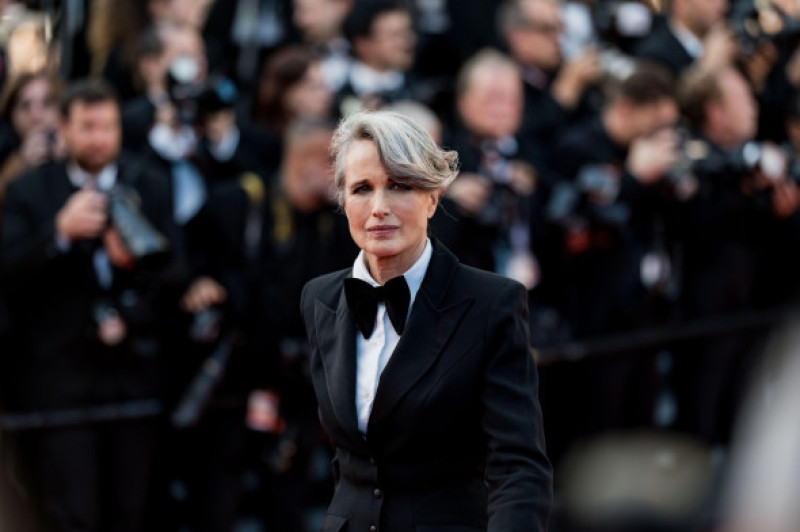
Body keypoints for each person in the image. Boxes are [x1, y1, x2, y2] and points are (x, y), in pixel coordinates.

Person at [300, 110, 552, 531]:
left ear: (433, 198)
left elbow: (518, 468)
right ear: (343, 201)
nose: (379, 208)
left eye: (400, 185)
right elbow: (348, 460)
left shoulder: (491, 304)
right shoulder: (320, 299)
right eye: (362, 189)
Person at [0, 79, 181, 530]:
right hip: (60, 388)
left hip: (135, 382)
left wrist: (134, 263)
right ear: (63, 129)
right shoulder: (29, 191)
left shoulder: (151, 184)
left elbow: (177, 274)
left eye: (107, 127)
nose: (99, 138)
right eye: (87, 127)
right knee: (73, 514)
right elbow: (8, 274)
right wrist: (58, 234)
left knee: (130, 512)